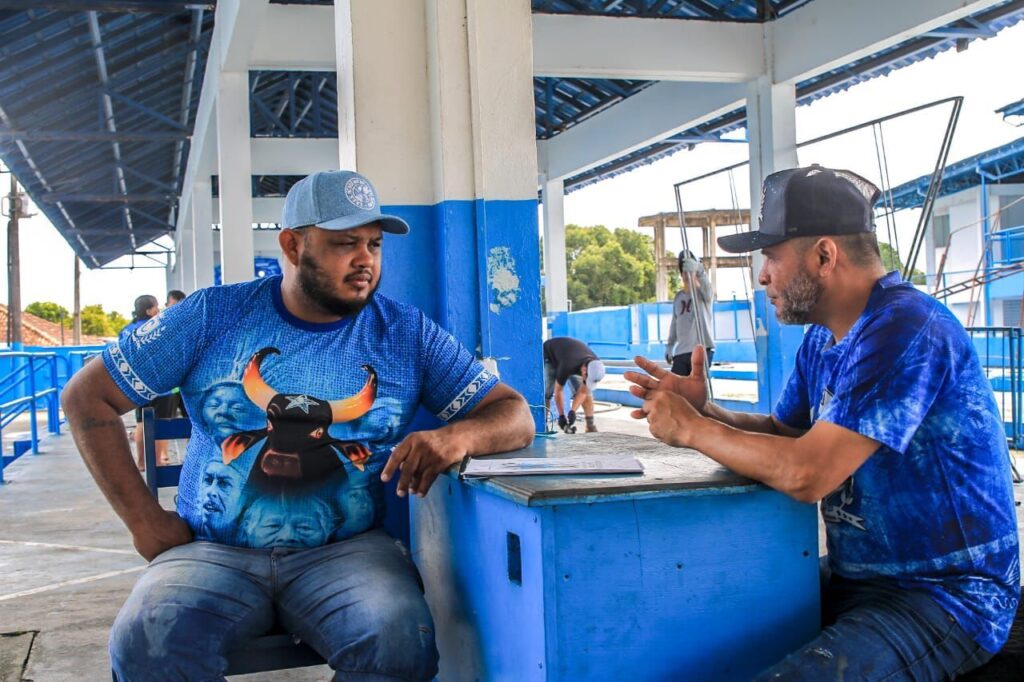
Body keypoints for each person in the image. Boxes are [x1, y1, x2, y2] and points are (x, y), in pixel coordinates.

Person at [62, 169, 536, 681]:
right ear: (292, 244)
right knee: (145, 642)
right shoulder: (209, 316)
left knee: (399, 638)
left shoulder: (406, 333)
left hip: (347, 553)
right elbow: (87, 397)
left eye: (375, 244)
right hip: (211, 551)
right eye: (344, 244)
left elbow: (515, 413)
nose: (365, 261)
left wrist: (457, 435)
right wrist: (144, 522)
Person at [626, 165, 1019, 680]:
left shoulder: (906, 327)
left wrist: (692, 430)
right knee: (690, 616)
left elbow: (808, 473)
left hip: (943, 593)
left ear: (824, 255)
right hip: (857, 579)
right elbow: (787, 437)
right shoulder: (825, 339)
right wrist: (708, 411)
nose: (762, 276)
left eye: (770, 257)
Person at [119, 295, 174, 469]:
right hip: (162, 385)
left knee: (141, 422)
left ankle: (142, 462)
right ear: (149, 310)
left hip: (139, 385)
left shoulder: (127, 331)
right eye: (156, 306)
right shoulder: (158, 327)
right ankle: (156, 462)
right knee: (162, 423)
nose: (158, 309)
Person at [665, 250, 715, 376]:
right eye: (684, 271)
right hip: (681, 352)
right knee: (675, 390)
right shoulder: (678, 297)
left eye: (690, 270)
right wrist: (670, 346)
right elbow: (674, 324)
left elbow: (708, 289)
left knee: (697, 390)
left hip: (701, 350)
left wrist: (699, 270)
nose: (687, 274)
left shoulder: (703, 295)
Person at [543, 336, 606, 433]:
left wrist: (572, 411)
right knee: (548, 392)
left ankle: (590, 426)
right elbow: (559, 390)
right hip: (550, 354)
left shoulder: (595, 365)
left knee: (588, 392)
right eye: (587, 378)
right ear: (584, 370)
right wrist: (561, 416)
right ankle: (543, 425)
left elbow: (584, 391)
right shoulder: (567, 365)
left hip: (570, 354)